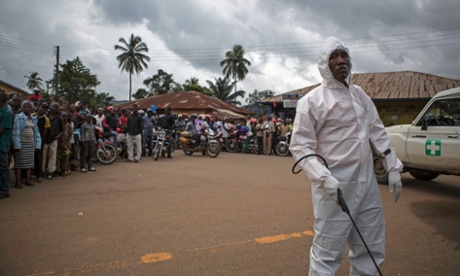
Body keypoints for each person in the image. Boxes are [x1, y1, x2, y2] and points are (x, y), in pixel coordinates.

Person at [289, 37, 403, 275]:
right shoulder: (312, 101)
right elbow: (301, 145)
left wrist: (392, 167)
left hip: (367, 186)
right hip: (334, 188)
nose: (341, 61)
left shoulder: (360, 95)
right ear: (323, 64)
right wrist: (323, 178)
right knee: (327, 253)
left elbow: (377, 131)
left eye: (344, 56)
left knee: (370, 248)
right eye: (334, 57)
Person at [12, 100, 42, 188]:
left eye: (28, 107)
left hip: (30, 143)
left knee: (29, 163)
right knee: (19, 164)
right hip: (21, 143)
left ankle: (28, 180)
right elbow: (15, 132)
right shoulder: (18, 117)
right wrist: (17, 145)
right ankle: (17, 182)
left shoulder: (33, 118)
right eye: (24, 106)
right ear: (22, 108)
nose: (26, 108)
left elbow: (36, 132)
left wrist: (37, 144)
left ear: (31, 108)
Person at [42, 102, 64, 179]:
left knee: (52, 155)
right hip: (45, 138)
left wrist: (57, 136)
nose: (54, 108)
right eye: (53, 106)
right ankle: (42, 170)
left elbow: (62, 130)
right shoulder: (45, 116)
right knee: (43, 155)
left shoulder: (59, 118)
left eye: (56, 107)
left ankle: (50, 171)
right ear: (50, 107)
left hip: (54, 139)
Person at [0, 90, 14, 199]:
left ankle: (5, 190)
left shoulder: (7, 113)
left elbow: (2, 129)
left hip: (2, 144)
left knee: (3, 168)